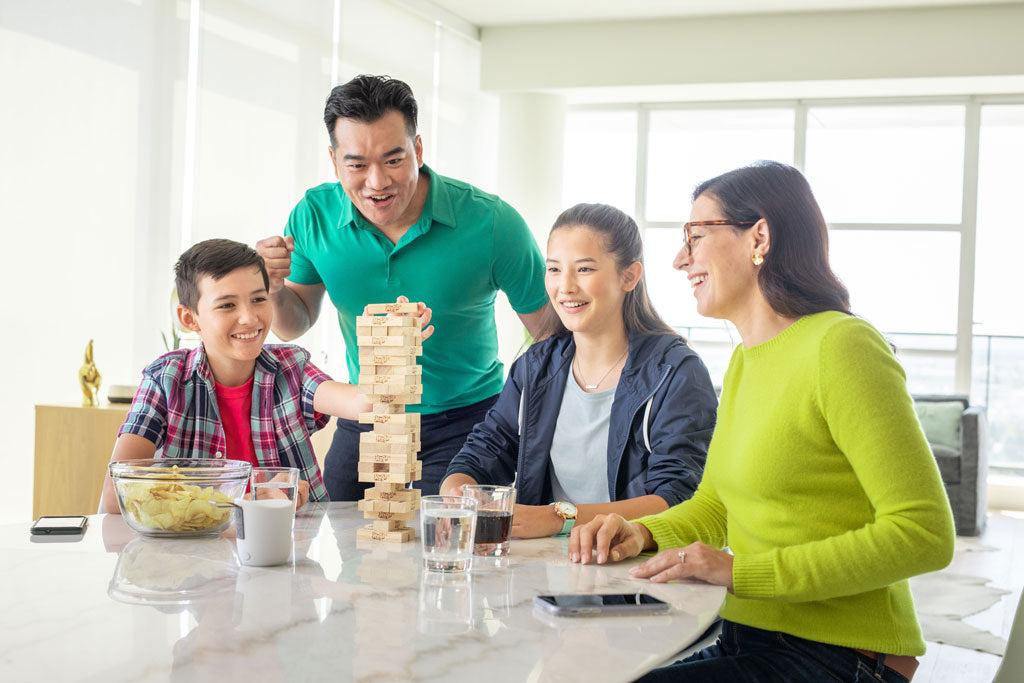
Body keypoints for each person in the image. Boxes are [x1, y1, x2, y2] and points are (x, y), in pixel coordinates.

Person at [571, 162, 955, 682]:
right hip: (746, 636)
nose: (680, 259)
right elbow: (716, 505)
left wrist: (737, 572)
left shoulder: (841, 346)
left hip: (839, 657)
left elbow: (924, 533)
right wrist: (642, 532)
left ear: (760, 236)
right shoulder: (746, 360)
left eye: (696, 236)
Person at [256, 75, 548, 500]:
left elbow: (550, 333)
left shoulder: (491, 223)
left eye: (393, 160)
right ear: (335, 162)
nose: (377, 182)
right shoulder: (312, 216)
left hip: (467, 423)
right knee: (338, 539)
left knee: (443, 551)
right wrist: (275, 288)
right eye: (356, 165)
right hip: (366, 414)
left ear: (418, 150)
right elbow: (293, 323)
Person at [440, 203, 717, 538]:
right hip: (546, 576)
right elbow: (484, 451)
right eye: (554, 270)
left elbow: (676, 499)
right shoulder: (535, 367)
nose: (565, 287)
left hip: (636, 570)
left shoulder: (676, 372)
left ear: (629, 276)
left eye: (584, 270)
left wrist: (558, 518)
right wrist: (458, 492)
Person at [101, 239, 429, 512]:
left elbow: (363, 404)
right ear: (190, 318)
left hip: (292, 555)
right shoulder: (166, 378)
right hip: (198, 561)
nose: (249, 318)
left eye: (259, 299)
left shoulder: (291, 367)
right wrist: (251, 501)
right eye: (227, 305)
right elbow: (117, 496)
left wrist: (395, 347)